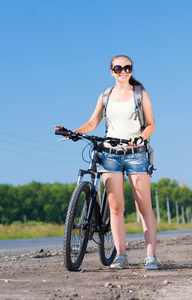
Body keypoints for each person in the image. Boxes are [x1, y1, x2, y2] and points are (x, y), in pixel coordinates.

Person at [55, 55, 158, 270]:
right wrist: (73, 132)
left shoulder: (140, 94)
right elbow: (93, 122)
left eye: (127, 68)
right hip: (110, 155)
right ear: (111, 71)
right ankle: (121, 255)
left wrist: (141, 137)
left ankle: (151, 257)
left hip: (136, 154)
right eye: (118, 68)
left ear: (131, 70)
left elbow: (150, 125)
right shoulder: (105, 95)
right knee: (115, 206)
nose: (123, 71)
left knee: (143, 206)